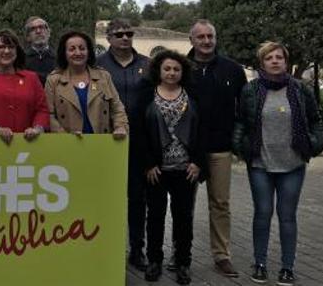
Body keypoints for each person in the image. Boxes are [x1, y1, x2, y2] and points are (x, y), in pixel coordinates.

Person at [233, 42, 323, 286]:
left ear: (286, 61)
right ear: (262, 63)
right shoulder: (251, 90)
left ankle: (287, 267)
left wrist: (315, 143)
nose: (275, 61)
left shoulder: (299, 90)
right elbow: (241, 121)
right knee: (262, 213)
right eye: (269, 58)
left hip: (293, 164)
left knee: (287, 216)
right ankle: (260, 263)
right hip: (261, 163)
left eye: (279, 57)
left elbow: (315, 119)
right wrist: (240, 147)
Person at [137, 49, 205, 285]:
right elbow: (139, 131)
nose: (171, 73)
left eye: (176, 69)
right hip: (157, 170)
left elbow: (202, 130)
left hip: (186, 169)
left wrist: (197, 162)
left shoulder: (193, 95)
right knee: (155, 216)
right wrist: (148, 163)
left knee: (183, 218)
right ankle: (154, 260)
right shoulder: (146, 94)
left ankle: (183, 262)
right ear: (159, 70)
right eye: (167, 68)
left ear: (182, 71)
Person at [185, 19, 246, 278]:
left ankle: (221, 254)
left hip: (220, 148)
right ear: (192, 40)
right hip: (187, 149)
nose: (206, 41)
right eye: (201, 37)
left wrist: (239, 141)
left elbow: (244, 108)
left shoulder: (232, 70)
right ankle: (181, 253)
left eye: (210, 36)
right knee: (183, 204)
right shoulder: (181, 69)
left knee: (220, 203)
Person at [96, 18, 152, 271]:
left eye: (129, 34)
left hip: (140, 141)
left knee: (137, 198)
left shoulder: (147, 65)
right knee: (106, 197)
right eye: (119, 34)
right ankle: (104, 246)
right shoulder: (97, 66)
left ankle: (137, 249)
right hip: (108, 140)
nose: (125, 38)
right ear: (108, 38)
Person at [45, 30, 129, 138]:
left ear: (88, 51)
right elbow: (49, 115)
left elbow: (117, 109)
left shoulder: (103, 77)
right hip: (68, 145)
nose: (78, 53)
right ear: (64, 53)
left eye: (82, 48)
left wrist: (120, 127)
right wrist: (66, 138)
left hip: (101, 143)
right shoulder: (53, 80)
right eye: (72, 49)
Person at [24, 16, 56, 86]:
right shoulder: (21, 60)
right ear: (28, 37)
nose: (38, 31)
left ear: (49, 33)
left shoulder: (60, 59)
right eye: (33, 29)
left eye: (41, 27)